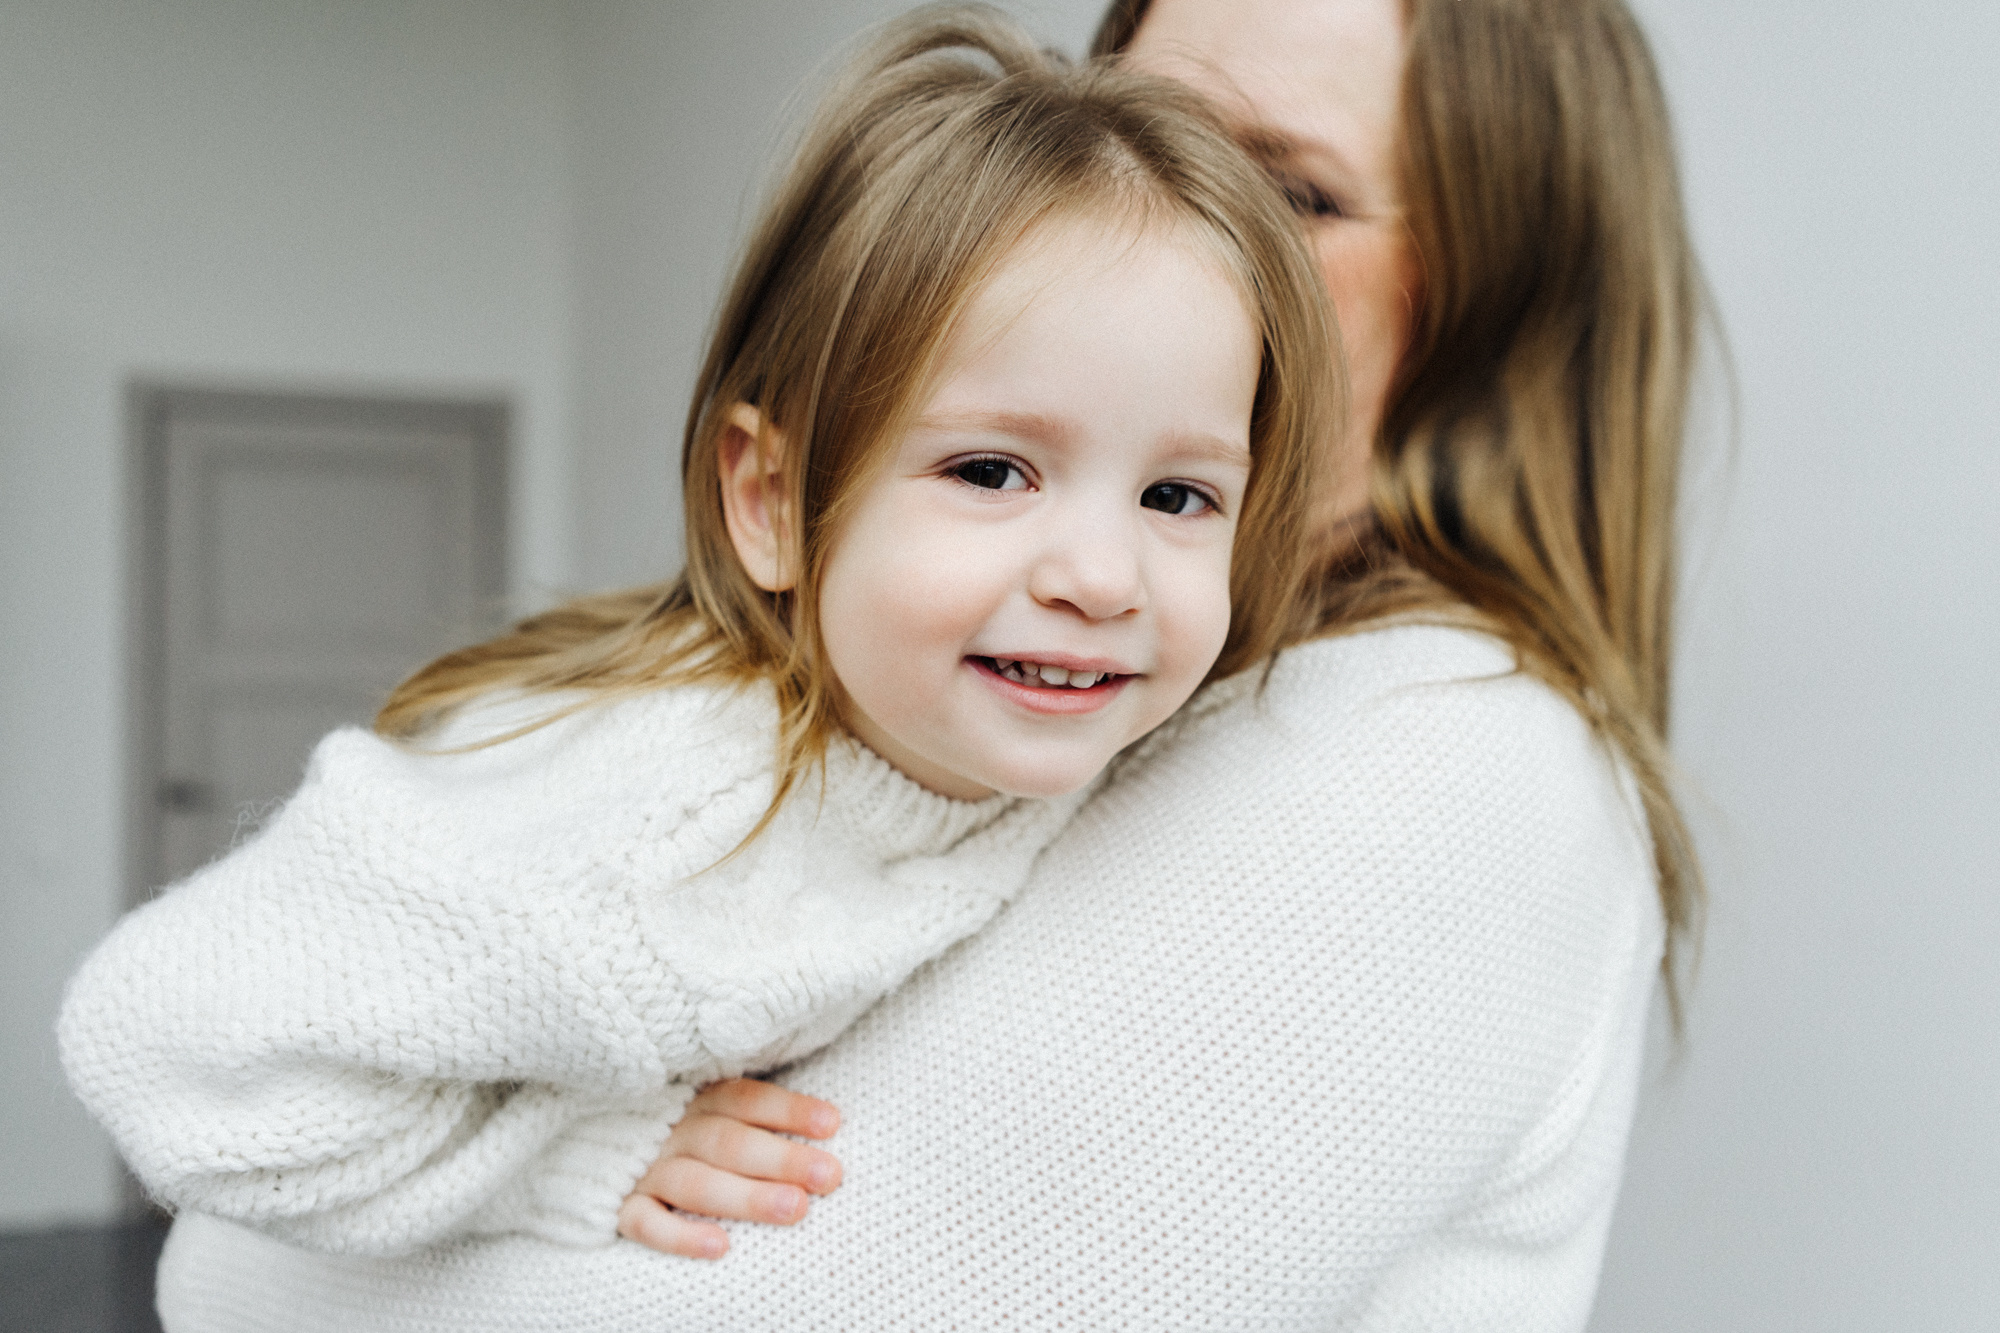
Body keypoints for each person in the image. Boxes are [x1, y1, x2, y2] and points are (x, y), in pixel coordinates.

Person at [140, 0, 1710, 1327]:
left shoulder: (1445, 750)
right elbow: (218, 1140)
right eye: (1155, 140)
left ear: (1509, 311)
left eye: (1287, 189)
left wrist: (302, 1245)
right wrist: (508, 1176)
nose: (1179, 238)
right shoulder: (770, 755)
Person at [58, 5, 1338, 1277]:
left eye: (1178, 496)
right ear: (769, 499)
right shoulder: (648, 840)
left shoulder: (1113, 731)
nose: (1104, 578)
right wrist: (564, 1156)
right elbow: (158, 1042)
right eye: (991, 470)